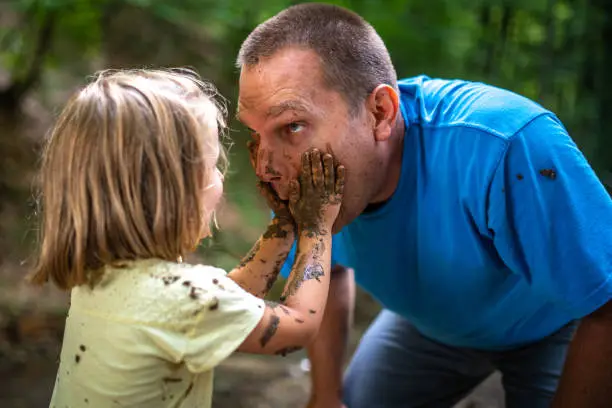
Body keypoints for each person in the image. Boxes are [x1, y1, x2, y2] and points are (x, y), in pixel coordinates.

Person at [235, 3, 612, 408]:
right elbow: (329, 271)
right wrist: (326, 396)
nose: (266, 167)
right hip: (430, 328)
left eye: (292, 125)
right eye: (257, 134)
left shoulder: (502, 144)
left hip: (555, 324)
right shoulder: (299, 175)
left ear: (380, 112)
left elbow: (607, 300)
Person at [30, 67, 345, 408]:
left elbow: (225, 300)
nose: (220, 175)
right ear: (174, 190)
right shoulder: (180, 299)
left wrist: (285, 224)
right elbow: (299, 326)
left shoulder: (105, 277)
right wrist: (316, 226)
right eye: (212, 164)